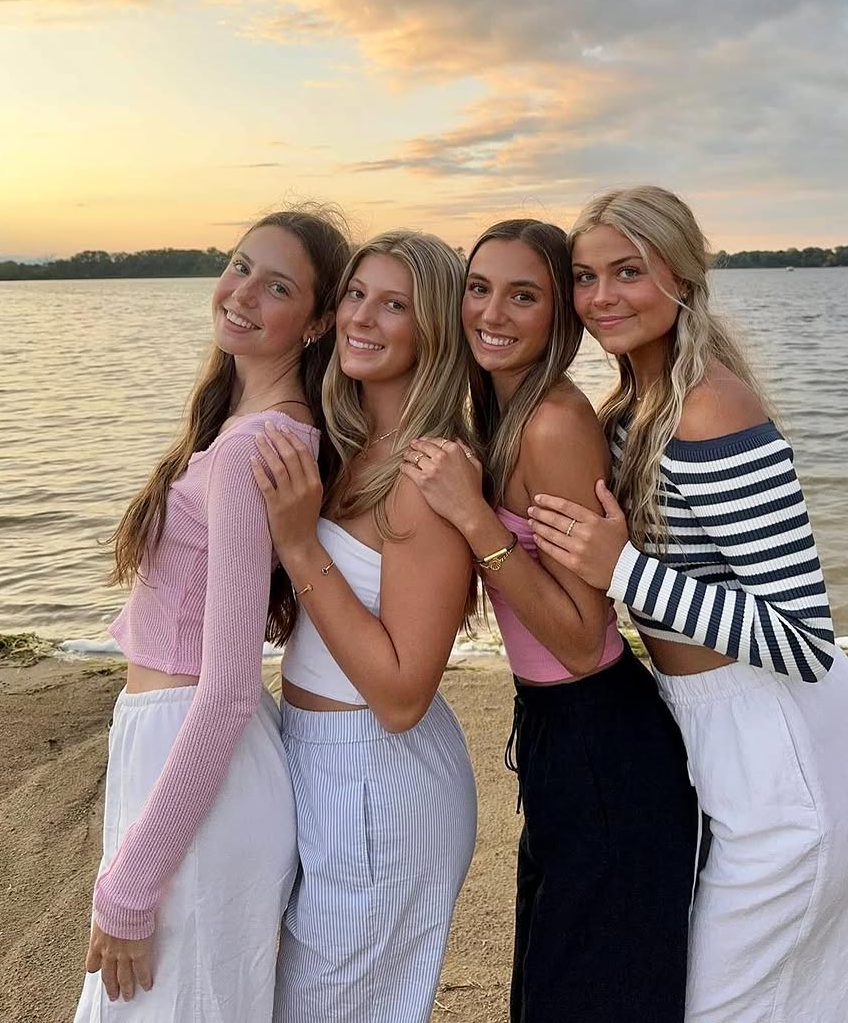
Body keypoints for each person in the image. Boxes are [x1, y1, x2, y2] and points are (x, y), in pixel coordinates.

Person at [529, 185, 848, 1023]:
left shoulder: (709, 407)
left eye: (629, 271)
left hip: (787, 739)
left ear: (683, 276)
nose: (602, 296)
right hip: (708, 732)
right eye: (585, 276)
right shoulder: (627, 413)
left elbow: (803, 637)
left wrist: (623, 570)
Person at [402, 218, 698, 1023]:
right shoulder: (498, 414)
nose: (492, 312)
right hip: (558, 731)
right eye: (479, 288)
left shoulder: (553, 423)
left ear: (559, 314)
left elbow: (577, 635)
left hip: (603, 739)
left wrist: (475, 519)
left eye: (523, 295)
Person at [74, 205, 351, 1022]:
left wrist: (130, 884)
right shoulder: (248, 429)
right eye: (239, 265)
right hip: (178, 752)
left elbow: (228, 690)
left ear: (318, 322)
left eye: (278, 286)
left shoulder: (251, 449)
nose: (242, 292)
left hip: (195, 752)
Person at [250, 230, 478, 1023]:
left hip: (378, 773)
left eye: (393, 305)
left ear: (434, 330)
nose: (361, 317)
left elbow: (403, 693)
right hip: (319, 756)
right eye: (355, 294)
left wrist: (299, 543)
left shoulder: (426, 474)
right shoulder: (349, 445)